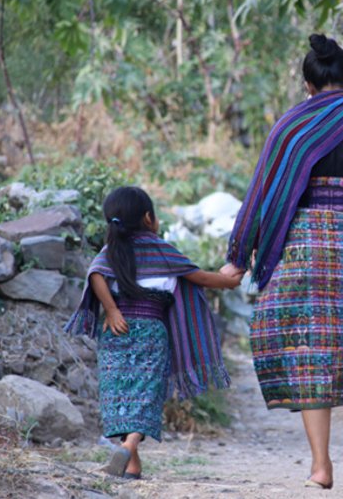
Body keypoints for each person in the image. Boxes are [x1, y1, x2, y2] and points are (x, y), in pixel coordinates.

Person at [221, 33, 343, 490]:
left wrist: (237, 257)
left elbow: (262, 192)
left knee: (310, 350)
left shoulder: (290, 126)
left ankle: (320, 466)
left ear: (307, 86)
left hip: (308, 243)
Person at [66, 186, 241, 479]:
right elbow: (198, 277)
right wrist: (228, 281)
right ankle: (130, 444)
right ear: (149, 218)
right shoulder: (162, 250)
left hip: (115, 333)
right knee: (147, 394)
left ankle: (131, 465)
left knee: (119, 393)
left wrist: (111, 309)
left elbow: (95, 275)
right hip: (151, 333)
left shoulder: (111, 252)